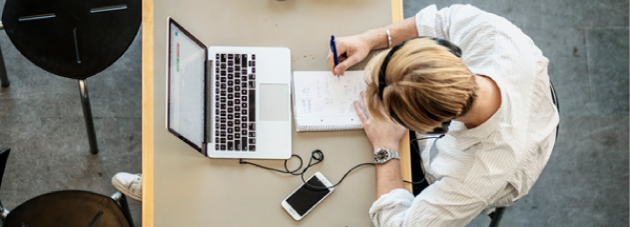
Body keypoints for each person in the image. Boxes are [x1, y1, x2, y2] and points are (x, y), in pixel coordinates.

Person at [328, 4, 559, 227]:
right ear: (444, 50)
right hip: (527, 112)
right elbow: (440, 21)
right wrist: (370, 39)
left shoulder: (474, 174)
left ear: (430, 127)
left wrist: (386, 148)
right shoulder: (492, 35)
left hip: (497, 168)